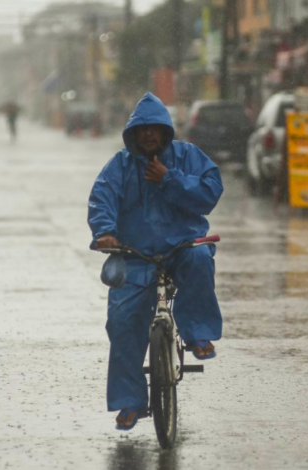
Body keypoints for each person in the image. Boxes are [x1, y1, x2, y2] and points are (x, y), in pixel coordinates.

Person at [88, 92, 224, 431]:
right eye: (143, 129)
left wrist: (169, 179)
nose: (149, 135)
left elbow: (211, 191)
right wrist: (105, 232)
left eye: (155, 129)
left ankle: (197, 334)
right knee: (122, 322)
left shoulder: (188, 157)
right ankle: (129, 402)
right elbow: (102, 197)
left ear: (165, 131)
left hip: (181, 246)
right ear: (133, 133)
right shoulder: (119, 165)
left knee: (198, 260)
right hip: (136, 256)